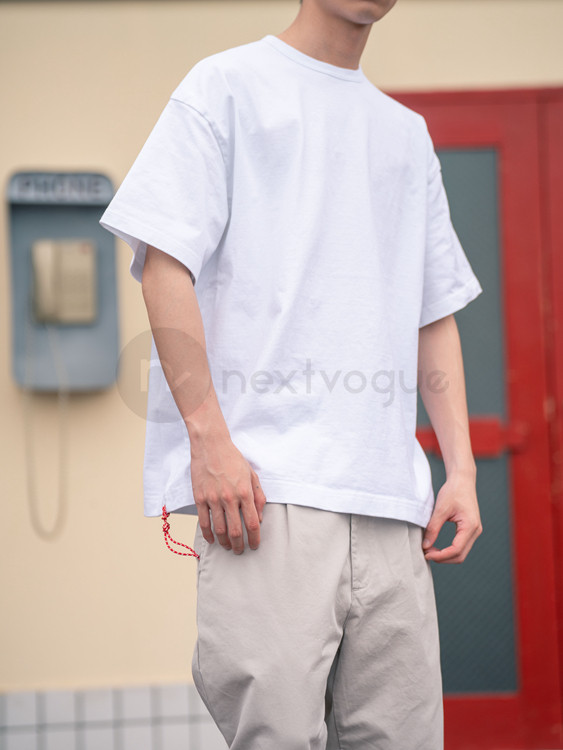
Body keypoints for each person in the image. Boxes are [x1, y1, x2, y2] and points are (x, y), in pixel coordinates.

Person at [100, 0, 484, 746]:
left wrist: (462, 469)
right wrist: (209, 441)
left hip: (391, 506)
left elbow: (433, 311)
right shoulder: (225, 87)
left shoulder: (406, 135)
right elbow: (164, 263)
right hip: (263, 499)